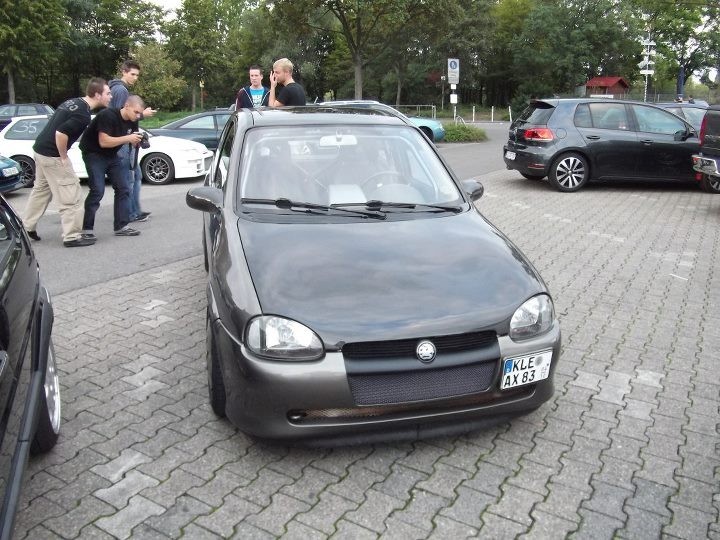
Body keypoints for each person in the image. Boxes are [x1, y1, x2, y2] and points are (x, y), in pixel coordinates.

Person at [22, 78, 111, 248]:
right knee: (72, 196)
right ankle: (72, 236)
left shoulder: (73, 102)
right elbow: (61, 133)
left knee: (41, 191)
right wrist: (63, 156)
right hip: (53, 156)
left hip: (40, 151)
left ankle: (26, 228)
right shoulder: (83, 115)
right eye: (108, 93)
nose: (111, 96)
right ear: (97, 95)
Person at [80, 95, 146, 239]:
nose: (138, 116)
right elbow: (104, 142)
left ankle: (121, 226)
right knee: (97, 190)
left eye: (140, 113)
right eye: (136, 112)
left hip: (112, 155)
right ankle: (87, 229)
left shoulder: (133, 120)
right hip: (94, 154)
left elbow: (130, 138)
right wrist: (128, 138)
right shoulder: (108, 115)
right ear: (126, 106)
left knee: (124, 188)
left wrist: (137, 141)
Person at [109, 59, 156, 223]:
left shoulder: (116, 88)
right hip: (124, 142)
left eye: (137, 75)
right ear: (124, 72)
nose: (135, 78)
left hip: (125, 139)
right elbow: (122, 115)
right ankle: (129, 214)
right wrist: (143, 114)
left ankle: (134, 211)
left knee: (135, 176)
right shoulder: (121, 90)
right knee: (130, 179)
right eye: (132, 74)